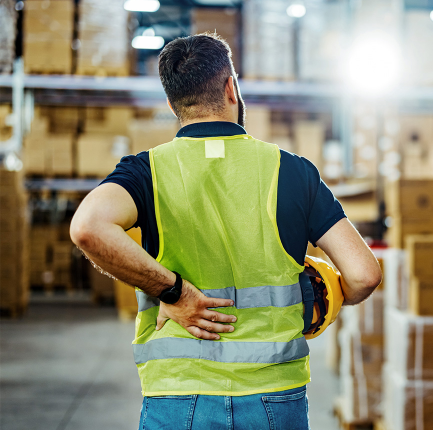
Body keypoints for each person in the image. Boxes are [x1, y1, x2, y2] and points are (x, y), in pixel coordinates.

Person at [70, 33, 382, 430]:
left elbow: (87, 228)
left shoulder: (147, 171)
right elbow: (365, 274)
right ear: (231, 87)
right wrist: (331, 298)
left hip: (179, 394)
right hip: (274, 396)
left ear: (172, 105)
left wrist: (174, 292)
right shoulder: (292, 171)